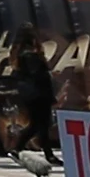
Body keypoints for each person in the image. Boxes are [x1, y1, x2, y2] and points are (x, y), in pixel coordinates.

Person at [11, 32, 61, 171]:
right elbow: (38, 76)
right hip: (39, 95)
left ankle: (46, 154)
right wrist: (48, 75)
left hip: (32, 95)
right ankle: (18, 148)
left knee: (39, 125)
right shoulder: (31, 57)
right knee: (40, 125)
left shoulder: (20, 58)